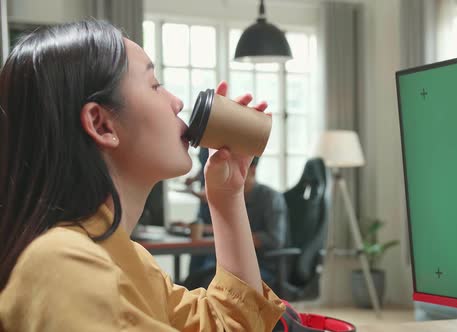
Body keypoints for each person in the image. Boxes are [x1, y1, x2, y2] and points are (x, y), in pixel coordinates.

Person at [0, 20, 284, 331]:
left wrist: (228, 196)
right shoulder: (62, 264)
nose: (177, 103)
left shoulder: (127, 259)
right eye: (154, 84)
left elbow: (230, 324)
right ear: (102, 124)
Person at [185, 157, 288, 289]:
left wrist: (232, 238)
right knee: (193, 278)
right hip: (231, 264)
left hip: (260, 265)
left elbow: (274, 239)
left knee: (208, 282)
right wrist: (200, 228)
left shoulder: (270, 198)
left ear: (253, 170)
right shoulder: (232, 197)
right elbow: (227, 229)